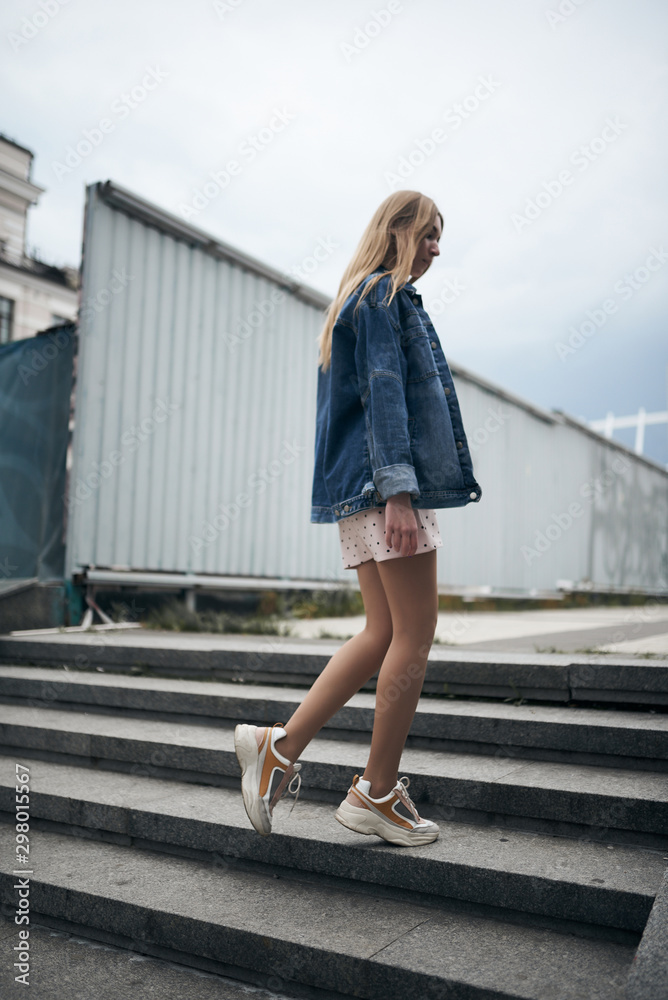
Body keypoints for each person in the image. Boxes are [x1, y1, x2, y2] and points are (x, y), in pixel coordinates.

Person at [235, 190, 482, 847]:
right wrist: (400, 492)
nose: (436, 247)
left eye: (439, 236)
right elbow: (384, 395)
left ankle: (279, 748)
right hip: (385, 487)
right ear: (397, 230)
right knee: (415, 634)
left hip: (362, 489)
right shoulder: (382, 297)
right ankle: (375, 790)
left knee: (381, 632)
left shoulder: (355, 297)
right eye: (428, 233)